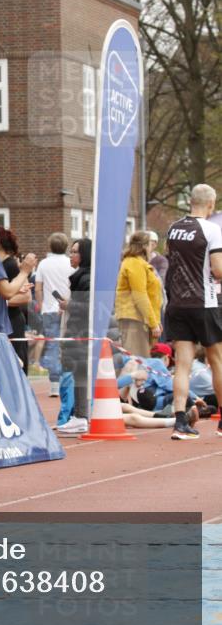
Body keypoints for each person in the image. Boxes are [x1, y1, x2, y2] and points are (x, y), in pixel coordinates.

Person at [163, 184, 222, 440]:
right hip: (204, 303)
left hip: (177, 303)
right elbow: (218, 269)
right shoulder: (212, 229)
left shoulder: (173, 228)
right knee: (217, 361)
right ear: (211, 204)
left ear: (191, 202)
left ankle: (180, 422)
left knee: (183, 366)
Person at [56, 237, 92, 434]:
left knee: (80, 373)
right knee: (79, 373)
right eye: (71, 251)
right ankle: (80, 415)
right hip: (79, 329)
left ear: (84, 255)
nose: (71, 255)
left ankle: (81, 415)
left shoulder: (86, 278)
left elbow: (90, 307)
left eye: (75, 251)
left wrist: (69, 305)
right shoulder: (81, 276)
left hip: (82, 331)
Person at [34, 233, 73, 396]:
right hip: (67, 308)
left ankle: (54, 383)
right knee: (67, 345)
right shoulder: (70, 263)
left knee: (52, 344)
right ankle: (66, 381)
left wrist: (41, 304)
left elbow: (38, 287)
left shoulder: (43, 264)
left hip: (49, 309)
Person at [114, 230, 163, 359]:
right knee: (137, 362)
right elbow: (140, 296)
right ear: (144, 246)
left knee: (141, 362)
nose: (152, 248)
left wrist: (155, 321)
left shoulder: (138, 263)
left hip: (141, 319)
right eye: (150, 244)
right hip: (135, 319)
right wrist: (153, 323)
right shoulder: (134, 263)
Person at [0, 226, 33, 374]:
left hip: (12, 320)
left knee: (16, 364)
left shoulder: (10, 265)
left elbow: (26, 296)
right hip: (2, 320)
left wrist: (1, 302)